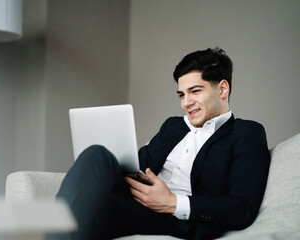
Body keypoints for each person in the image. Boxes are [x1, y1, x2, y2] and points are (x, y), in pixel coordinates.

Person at [49, 48, 270, 240]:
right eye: (181, 95)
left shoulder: (246, 133)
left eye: (195, 91)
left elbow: (242, 208)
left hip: (176, 220)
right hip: (138, 199)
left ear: (222, 89)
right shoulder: (173, 126)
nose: (186, 103)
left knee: (94, 213)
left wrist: (172, 202)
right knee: (96, 154)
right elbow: (140, 163)